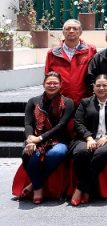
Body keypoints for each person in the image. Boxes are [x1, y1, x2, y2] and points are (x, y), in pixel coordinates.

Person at [70, 74, 107, 205]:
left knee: (100, 153)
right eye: (98, 85)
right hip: (87, 139)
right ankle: (87, 191)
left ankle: (81, 188)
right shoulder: (85, 102)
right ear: (93, 87)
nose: (101, 88)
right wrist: (89, 138)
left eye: (104, 85)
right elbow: (78, 123)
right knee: (80, 152)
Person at [19, 72, 74, 204]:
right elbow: (28, 123)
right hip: (35, 138)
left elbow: (61, 126)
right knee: (31, 154)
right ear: (44, 84)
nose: (52, 85)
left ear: (61, 85)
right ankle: (38, 188)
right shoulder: (33, 101)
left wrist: (40, 139)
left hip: (59, 140)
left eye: (55, 83)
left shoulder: (68, 102)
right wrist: (30, 139)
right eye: (49, 83)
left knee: (57, 153)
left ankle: (34, 185)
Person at [45, 19, 97, 105]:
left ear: (80, 32)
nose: (71, 31)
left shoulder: (91, 50)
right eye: (68, 28)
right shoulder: (52, 53)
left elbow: (95, 75)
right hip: (60, 102)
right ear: (63, 32)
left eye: (75, 28)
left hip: (85, 101)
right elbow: (48, 77)